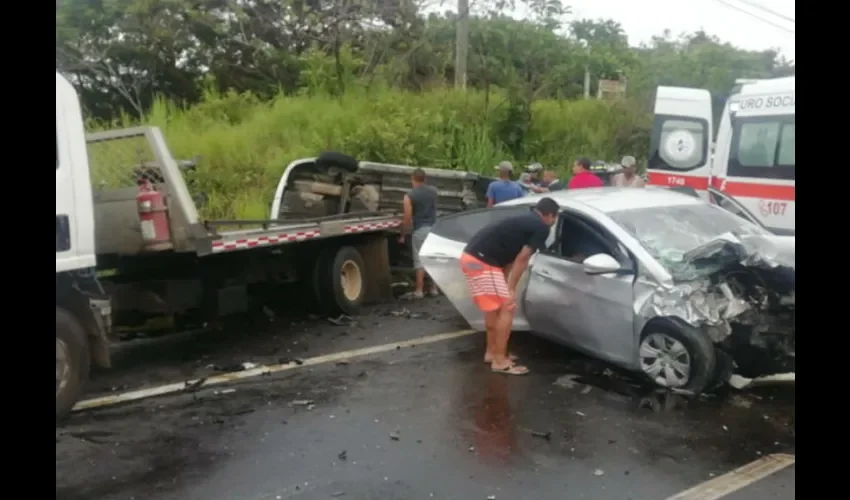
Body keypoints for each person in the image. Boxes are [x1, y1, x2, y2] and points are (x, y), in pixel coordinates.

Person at [460, 197, 560, 375]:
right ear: (550, 215)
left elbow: (508, 257)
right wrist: (511, 288)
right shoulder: (541, 227)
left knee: (494, 308)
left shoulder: (525, 220)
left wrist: (505, 281)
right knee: (507, 306)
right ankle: (500, 361)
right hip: (483, 262)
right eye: (554, 219)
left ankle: (492, 353)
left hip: (471, 258)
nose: (553, 223)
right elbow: (523, 258)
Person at [398, 168, 439, 299]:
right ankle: (433, 289)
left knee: (420, 261)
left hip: (420, 229)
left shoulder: (409, 195)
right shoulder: (433, 192)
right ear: (425, 179)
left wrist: (402, 234)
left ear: (412, 179)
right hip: (433, 229)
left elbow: (407, 216)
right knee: (432, 258)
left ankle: (419, 290)